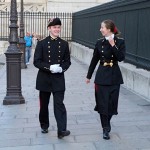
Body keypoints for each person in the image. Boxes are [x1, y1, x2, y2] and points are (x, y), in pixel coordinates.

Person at [86, 19, 126, 140]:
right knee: (103, 104)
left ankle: (106, 122)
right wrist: (89, 76)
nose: (100, 29)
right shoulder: (99, 42)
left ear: (108, 29)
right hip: (102, 76)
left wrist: (113, 44)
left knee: (112, 104)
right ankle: (105, 128)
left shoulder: (120, 42)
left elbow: (120, 58)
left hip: (114, 76)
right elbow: (94, 60)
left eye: (102, 27)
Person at [33, 18, 71, 139]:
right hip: (44, 79)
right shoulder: (42, 43)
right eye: (54, 27)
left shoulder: (64, 44)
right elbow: (36, 62)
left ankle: (61, 130)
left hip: (58, 79)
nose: (57, 29)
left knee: (59, 104)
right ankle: (44, 125)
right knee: (44, 105)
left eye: (58, 27)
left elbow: (67, 62)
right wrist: (50, 67)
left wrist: (61, 68)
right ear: (49, 28)